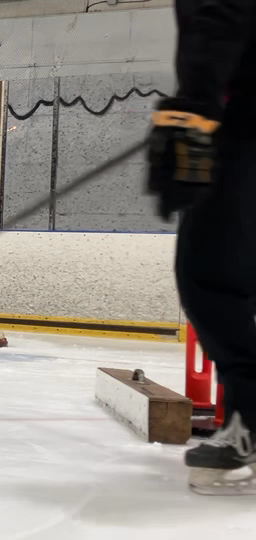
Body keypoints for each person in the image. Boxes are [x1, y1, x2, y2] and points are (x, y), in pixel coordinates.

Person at [145, 0, 255, 494]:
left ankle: (251, 418)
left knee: (210, 276)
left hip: (241, 126)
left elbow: (219, 13)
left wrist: (196, 107)